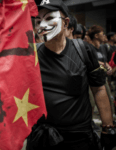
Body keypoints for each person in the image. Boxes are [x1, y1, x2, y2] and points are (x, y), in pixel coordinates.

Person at [27, 0, 114, 150]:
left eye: (49, 18)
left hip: (79, 139)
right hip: (43, 139)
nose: (42, 25)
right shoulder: (30, 54)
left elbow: (99, 89)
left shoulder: (84, 50)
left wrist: (108, 128)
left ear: (66, 23)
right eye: (38, 21)